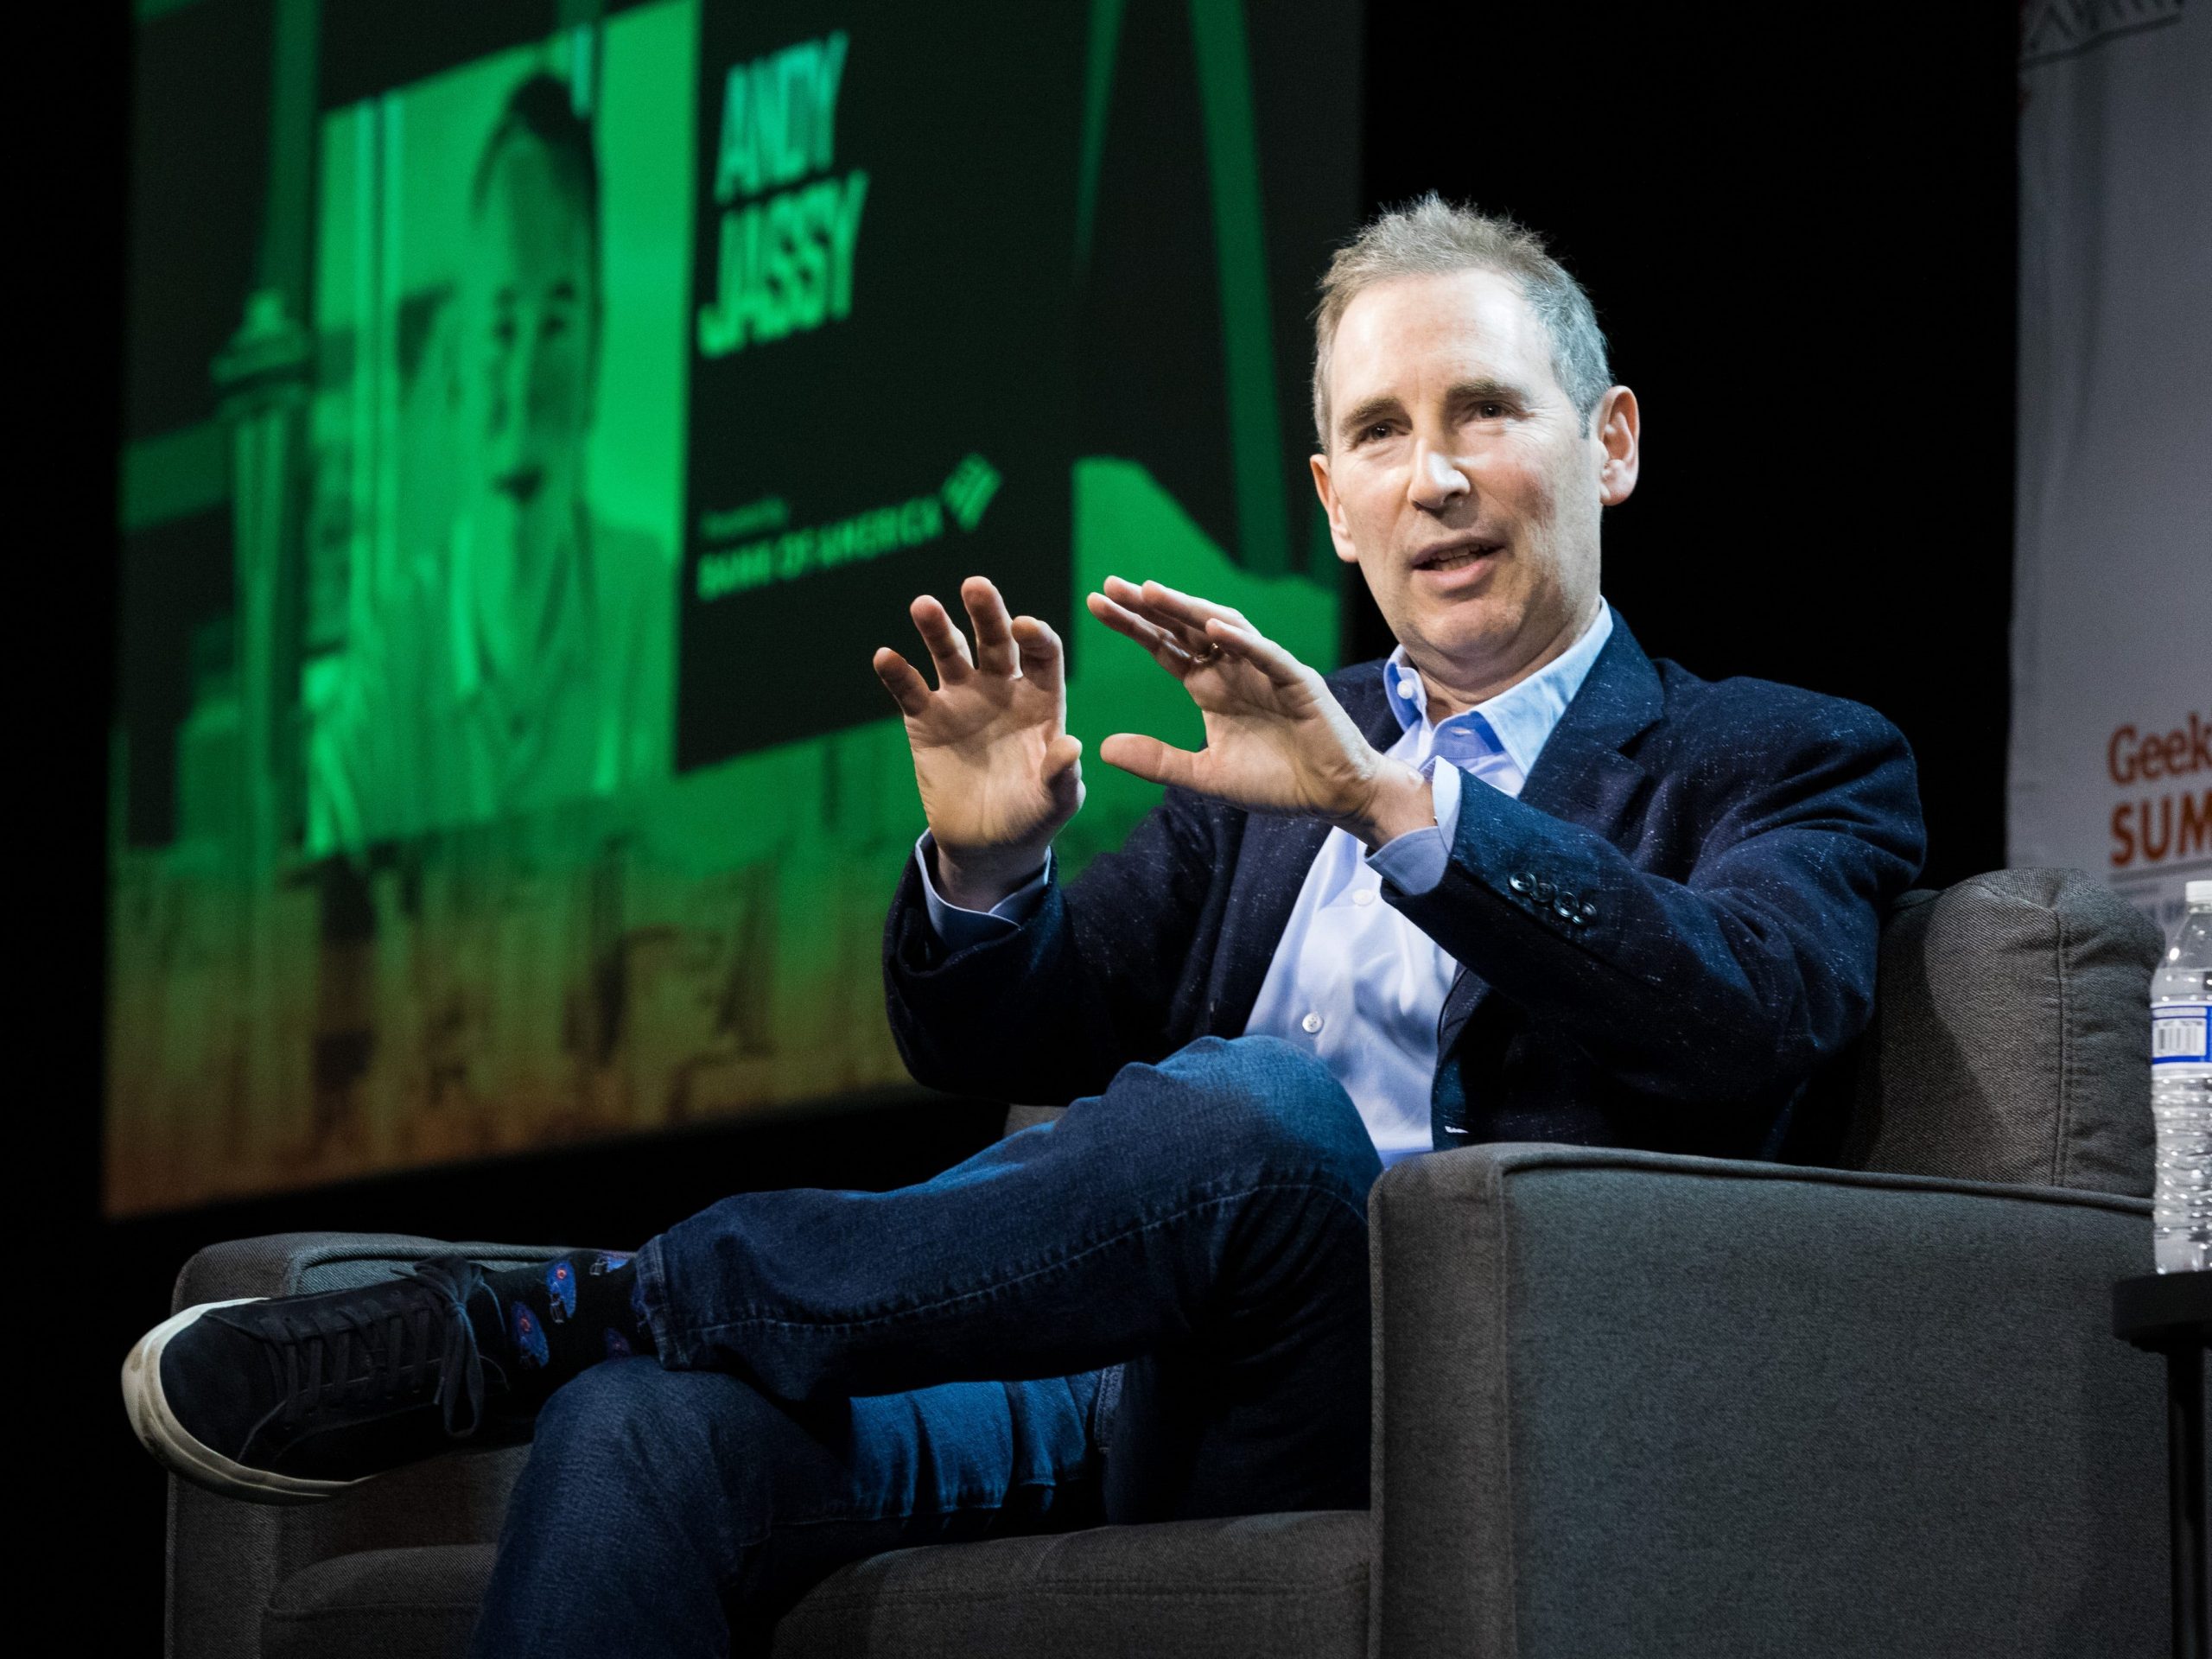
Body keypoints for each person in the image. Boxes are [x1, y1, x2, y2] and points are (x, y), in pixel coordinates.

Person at [122, 198, 1924, 1653]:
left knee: (1264, 1113)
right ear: (1328, 501)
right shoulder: (1275, 765)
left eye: (1483, 414)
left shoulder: (1777, 755)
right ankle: (592, 1347)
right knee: (649, 1428)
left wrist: (1399, 807)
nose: (1432, 478)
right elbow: (1017, 1047)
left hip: (1423, 1394)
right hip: (1110, 1391)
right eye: (1377, 433)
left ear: (1603, 445)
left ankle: (533, 1321)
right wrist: (987, 875)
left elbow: (1750, 1008)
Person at [308, 73, 672, 850]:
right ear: (455, 369)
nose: (527, 376)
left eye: (559, 322)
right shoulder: (390, 663)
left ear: (597, 351)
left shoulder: (649, 611)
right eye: (504, 326)